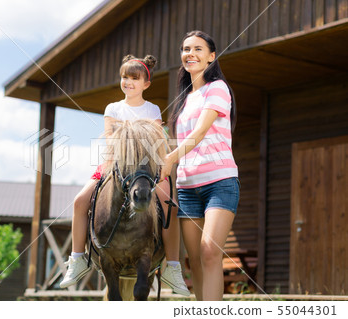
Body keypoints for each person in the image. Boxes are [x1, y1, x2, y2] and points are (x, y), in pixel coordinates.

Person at [60, 54, 190, 296]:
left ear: (145, 84)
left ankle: (172, 266)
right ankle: (77, 258)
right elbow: (111, 139)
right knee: (80, 201)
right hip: (114, 163)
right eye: (124, 77)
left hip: (145, 167)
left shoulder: (151, 109)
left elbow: (155, 140)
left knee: (170, 206)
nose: (128, 82)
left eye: (134, 78)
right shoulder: (113, 108)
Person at [160, 31, 239, 301]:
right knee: (194, 260)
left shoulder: (216, 88)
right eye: (185, 48)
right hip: (187, 186)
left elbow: (199, 133)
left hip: (219, 182)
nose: (190, 53)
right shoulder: (183, 99)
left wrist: (170, 159)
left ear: (211, 57)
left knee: (209, 251)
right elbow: (177, 141)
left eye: (197, 48)